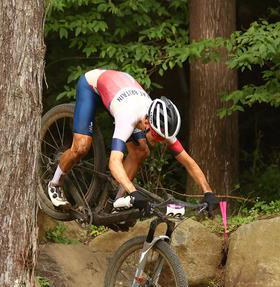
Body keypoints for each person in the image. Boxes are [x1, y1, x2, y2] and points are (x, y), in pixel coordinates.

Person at [47, 68, 219, 215]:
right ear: (146, 123)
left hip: (121, 89)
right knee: (81, 146)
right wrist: (134, 192)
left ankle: (116, 201)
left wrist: (208, 191)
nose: (160, 142)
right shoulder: (128, 116)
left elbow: (187, 161)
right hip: (92, 85)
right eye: (158, 137)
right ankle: (55, 183)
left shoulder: (159, 122)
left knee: (141, 151)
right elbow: (114, 162)